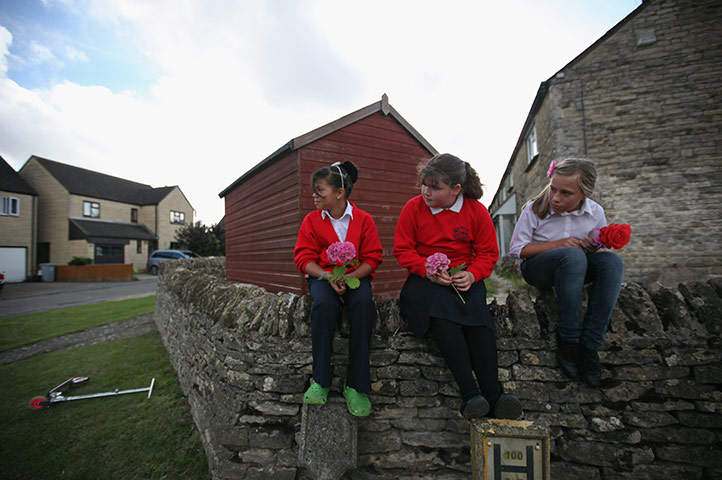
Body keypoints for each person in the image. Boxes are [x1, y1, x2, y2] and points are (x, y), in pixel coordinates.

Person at [393, 153, 522, 420]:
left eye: (434, 187)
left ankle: (495, 395)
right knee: (442, 319)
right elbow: (403, 250)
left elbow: (488, 253)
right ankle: (470, 394)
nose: (426, 192)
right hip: (424, 281)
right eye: (424, 185)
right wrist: (427, 270)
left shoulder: (476, 211)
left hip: (463, 278)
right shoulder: (413, 208)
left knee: (479, 322)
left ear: (456, 189)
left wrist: (473, 275)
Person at [508, 158, 624, 388]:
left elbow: (597, 249)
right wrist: (560, 244)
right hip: (538, 269)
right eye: (553, 189)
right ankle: (568, 339)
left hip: (576, 268)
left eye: (566, 193)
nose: (556, 198)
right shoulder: (535, 209)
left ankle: (590, 345)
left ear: (584, 193)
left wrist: (594, 245)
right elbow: (516, 250)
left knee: (612, 262)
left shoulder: (595, 212)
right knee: (571, 255)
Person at [294, 160, 383, 416]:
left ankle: (355, 385)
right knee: (323, 306)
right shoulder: (311, 221)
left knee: (364, 305)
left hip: (356, 276)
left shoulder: (364, 220)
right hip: (322, 277)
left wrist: (351, 276)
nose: (313, 195)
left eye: (319, 190)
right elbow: (303, 258)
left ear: (339, 193)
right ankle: (321, 380)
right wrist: (327, 276)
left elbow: (373, 257)